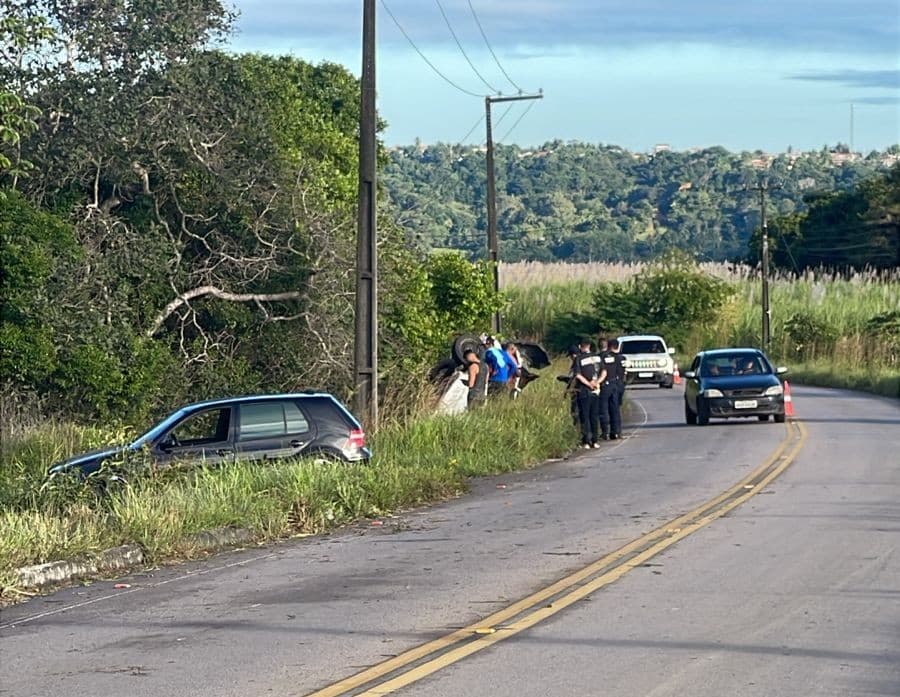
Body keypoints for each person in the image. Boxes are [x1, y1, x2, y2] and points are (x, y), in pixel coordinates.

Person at [572, 338, 605, 449]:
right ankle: (595, 441)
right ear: (590, 346)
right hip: (596, 390)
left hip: (584, 391)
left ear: (580, 346)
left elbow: (578, 375)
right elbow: (604, 372)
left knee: (585, 416)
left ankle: (586, 441)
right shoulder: (598, 357)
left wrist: (589, 384)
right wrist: (597, 382)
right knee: (594, 416)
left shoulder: (579, 359)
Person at [597, 338, 621, 440]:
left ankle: (605, 432)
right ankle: (616, 432)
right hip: (614, 384)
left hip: (604, 385)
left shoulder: (599, 357)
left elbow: (598, 370)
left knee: (604, 409)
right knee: (615, 409)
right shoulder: (616, 357)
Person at [607, 338, 627, 439]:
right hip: (621, 384)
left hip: (613, 383)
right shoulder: (623, 358)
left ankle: (614, 431)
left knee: (612, 408)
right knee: (617, 408)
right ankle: (618, 431)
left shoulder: (612, 357)